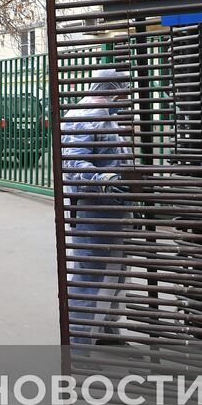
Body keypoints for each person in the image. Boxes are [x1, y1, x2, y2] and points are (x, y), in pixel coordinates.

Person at [61, 69, 133, 346]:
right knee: (90, 278)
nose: (126, 98)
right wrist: (106, 180)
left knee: (115, 275)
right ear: (114, 88)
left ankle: (106, 333)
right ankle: (78, 346)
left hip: (113, 211)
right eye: (124, 91)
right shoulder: (86, 116)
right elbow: (75, 164)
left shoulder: (105, 114)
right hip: (95, 213)